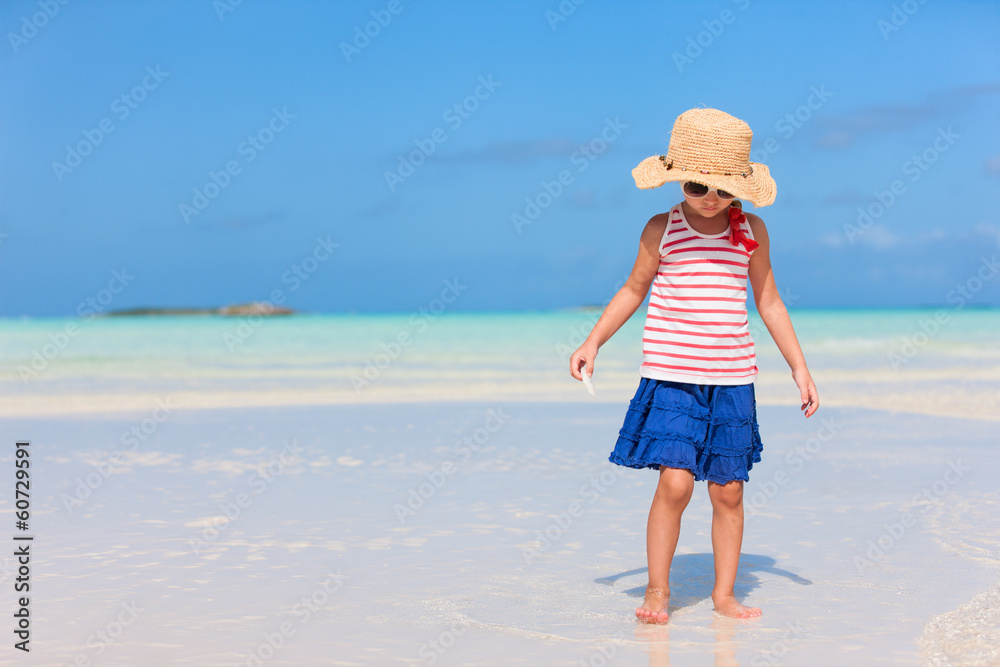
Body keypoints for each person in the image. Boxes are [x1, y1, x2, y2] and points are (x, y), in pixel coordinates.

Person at [569, 108, 819, 623]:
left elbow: (769, 301)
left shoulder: (751, 231)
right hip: (672, 377)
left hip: (730, 380)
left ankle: (724, 595)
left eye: (724, 189)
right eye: (697, 184)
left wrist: (800, 368)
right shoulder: (662, 227)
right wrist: (592, 341)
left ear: (741, 190)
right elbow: (634, 289)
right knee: (676, 483)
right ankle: (657, 592)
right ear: (677, 179)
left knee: (728, 491)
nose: (711, 198)